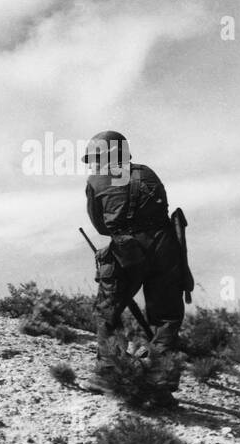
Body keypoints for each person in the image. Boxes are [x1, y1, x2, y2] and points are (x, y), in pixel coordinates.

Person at [79, 130, 185, 399]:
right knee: (166, 315)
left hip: (127, 250)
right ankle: (162, 377)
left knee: (108, 311)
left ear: (105, 155)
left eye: (95, 157)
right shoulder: (148, 173)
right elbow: (162, 208)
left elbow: (101, 226)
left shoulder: (97, 181)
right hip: (165, 245)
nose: (93, 163)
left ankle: (107, 374)